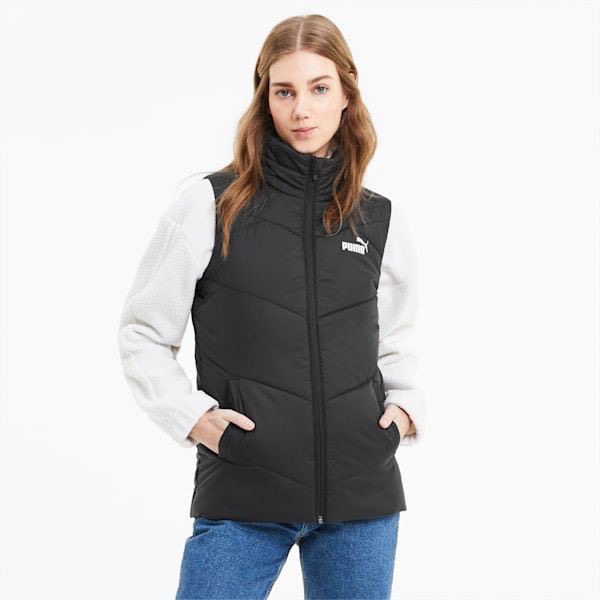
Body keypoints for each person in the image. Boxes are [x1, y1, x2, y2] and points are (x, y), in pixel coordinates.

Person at [117, 13, 426, 600]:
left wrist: (405, 409)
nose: (301, 110)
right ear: (264, 98)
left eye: (319, 88)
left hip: (362, 499)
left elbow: (397, 335)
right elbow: (142, 332)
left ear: (346, 93)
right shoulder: (211, 203)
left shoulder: (377, 217)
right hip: (245, 490)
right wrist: (191, 418)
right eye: (284, 91)